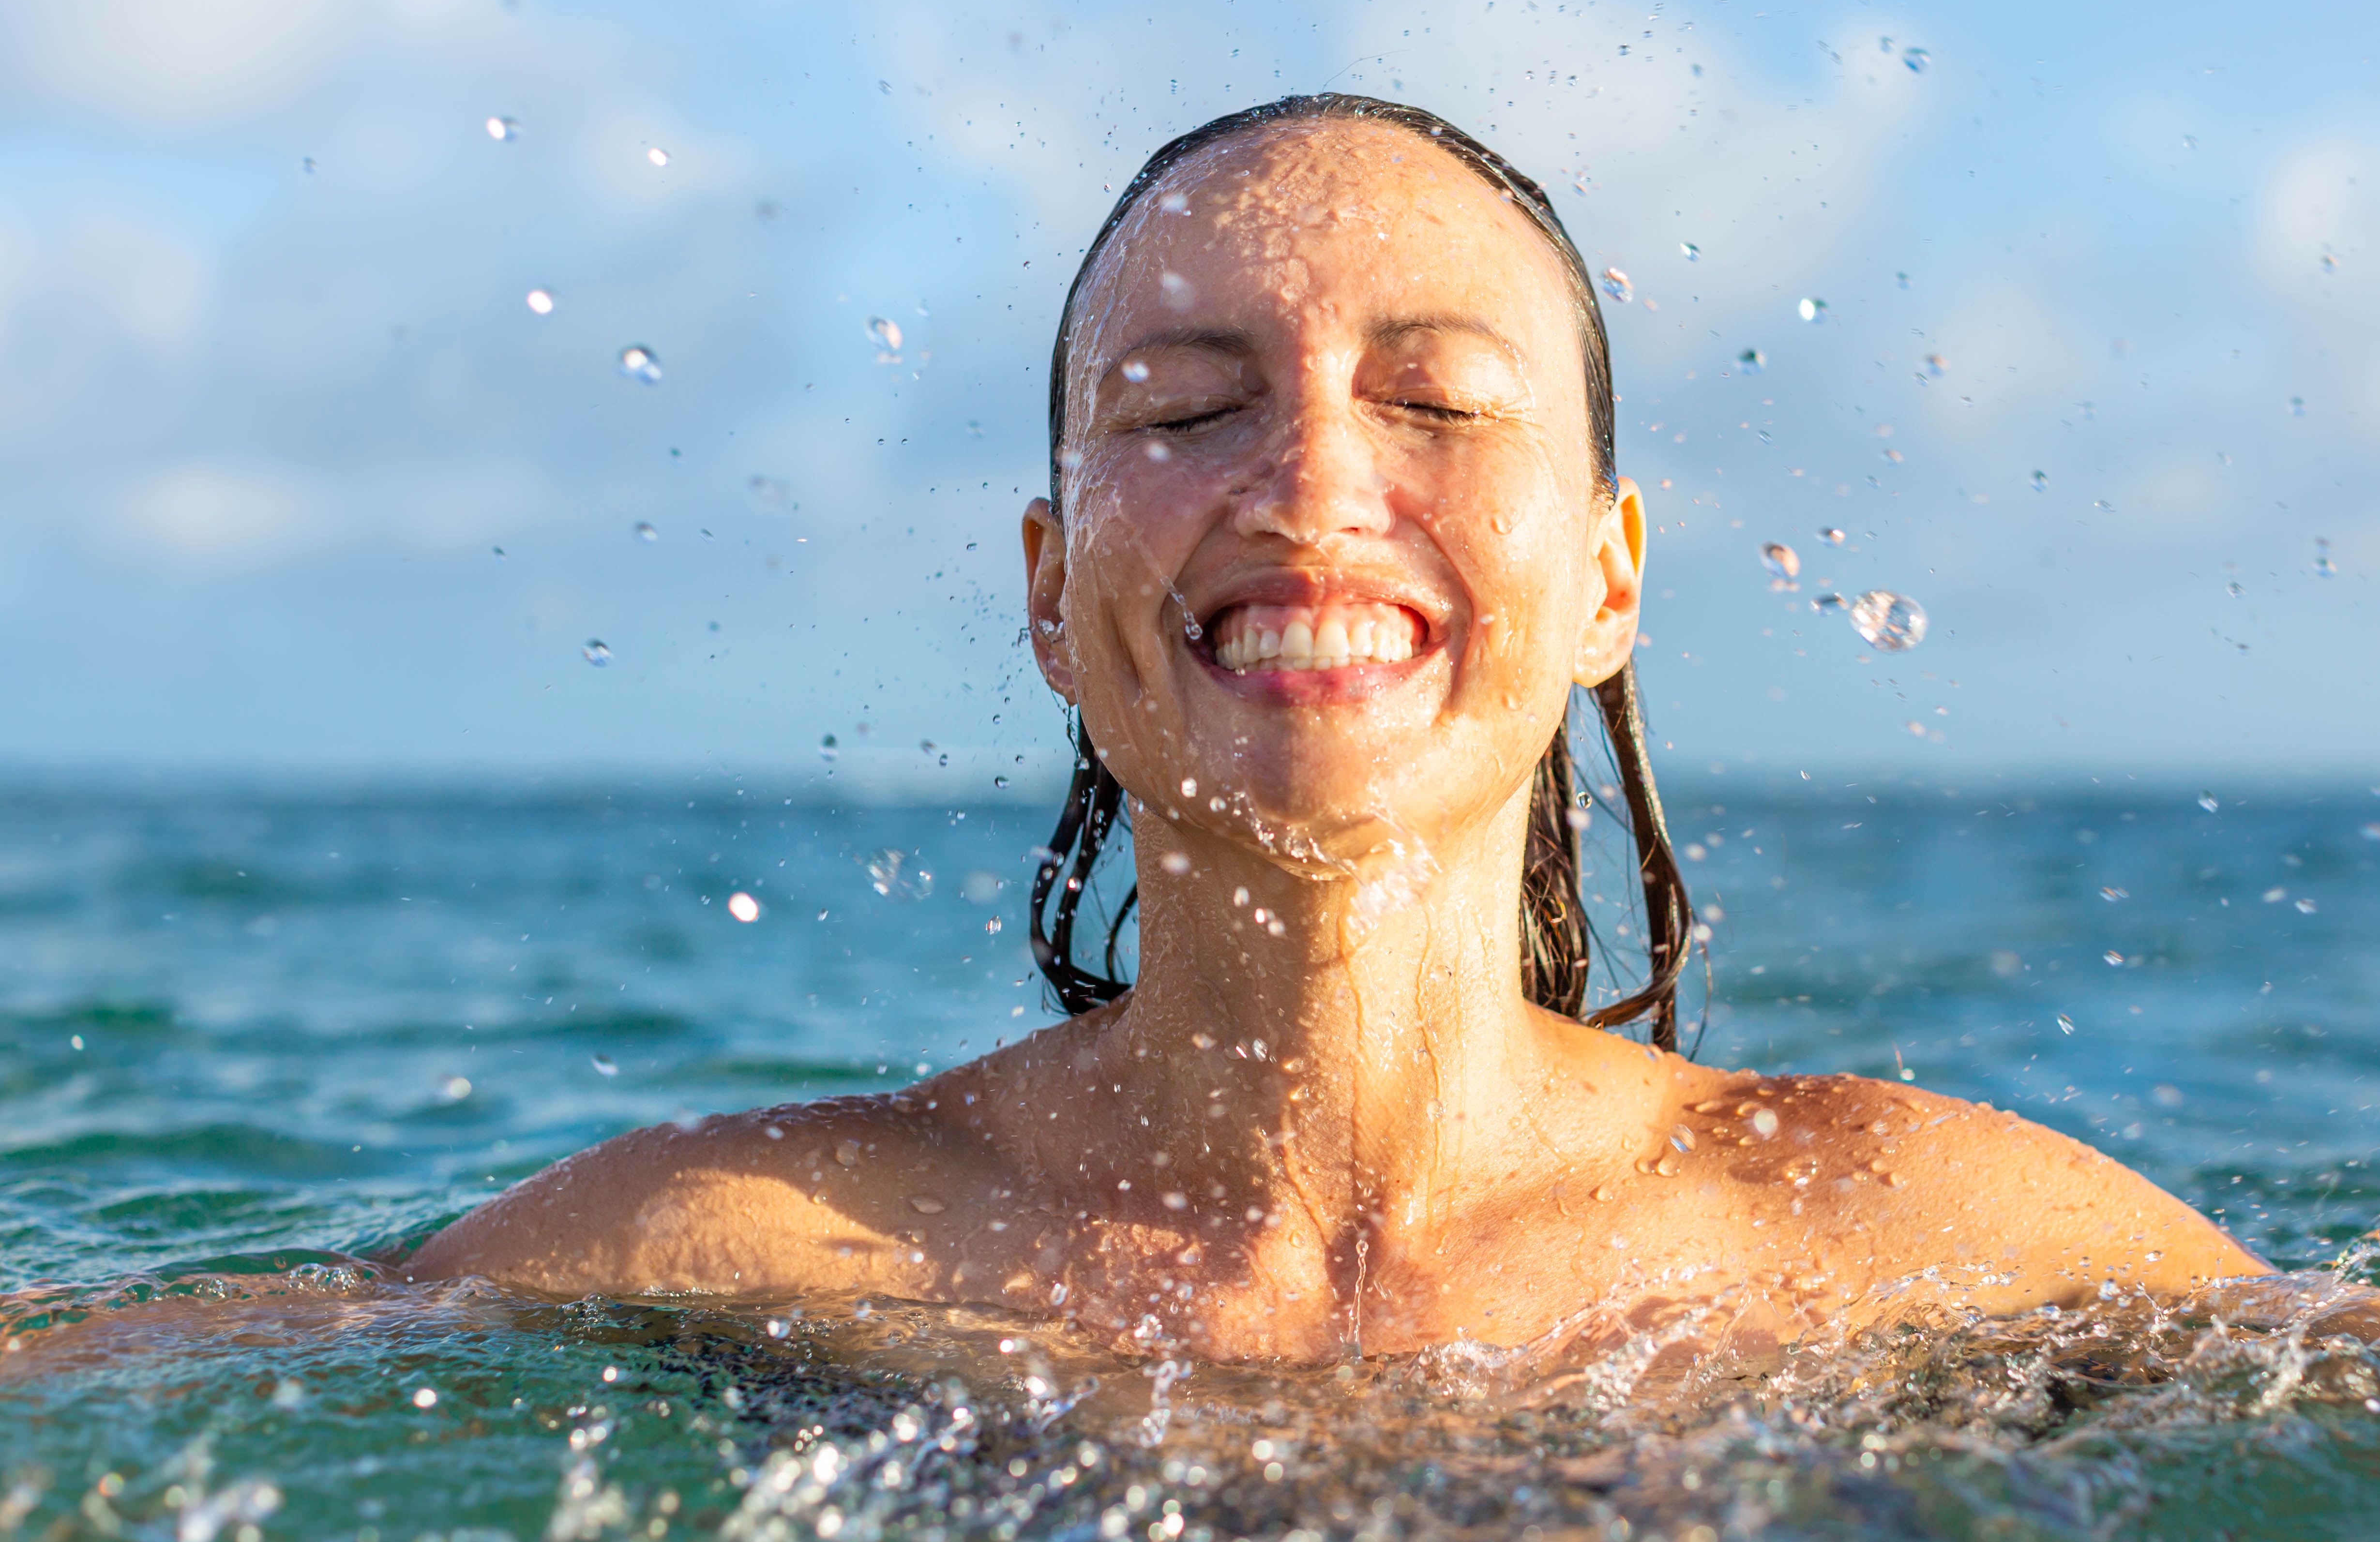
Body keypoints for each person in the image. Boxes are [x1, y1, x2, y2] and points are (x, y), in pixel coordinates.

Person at [406, 94, 2277, 1363]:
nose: (1310, 481)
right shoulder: (737, 1251)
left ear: (1610, 579)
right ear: (1053, 592)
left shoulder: (1915, 1245)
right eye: (1182, 407)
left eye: (1440, 404)